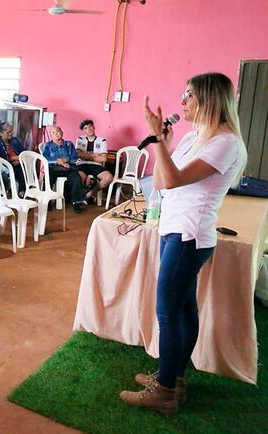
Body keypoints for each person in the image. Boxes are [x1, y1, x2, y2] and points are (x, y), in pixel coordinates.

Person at [119, 73, 247, 415]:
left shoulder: (224, 142)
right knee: (184, 308)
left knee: (169, 311)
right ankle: (173, 378)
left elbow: (172, 178)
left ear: (208, 100)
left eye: (189, 95)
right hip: (174, 230)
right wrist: (165, 143)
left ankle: (163, 391)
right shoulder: (195, 137)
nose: (182, 102)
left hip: (189, 236)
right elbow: (162, 181)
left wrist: (157, 139)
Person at [42, 126, 86, 213]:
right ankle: (47, 201)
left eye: (58, 131)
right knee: (47, 178)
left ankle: (76, 202)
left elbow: (75, 157)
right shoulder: (48, 145)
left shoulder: (69, 144)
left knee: (76, 178)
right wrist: (58, 161)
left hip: (68, 168)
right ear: (51, 135)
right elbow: (45, 158)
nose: (56, 134)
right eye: (53, 133)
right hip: (54, 168)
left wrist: (66, 160)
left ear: (62, 132)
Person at [75, 119, 113, 204]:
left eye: (90, 126)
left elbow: (104, 159)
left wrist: (86, 155)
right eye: (86, 128)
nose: (89, 129)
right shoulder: (80, 139)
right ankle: (79, 198)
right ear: (83, 130)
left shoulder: (102, 140)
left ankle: (90, 194)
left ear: (94, 127)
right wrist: (95, 155)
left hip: (96, 165)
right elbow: (78, 154)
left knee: (108, 178)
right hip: (82, 164)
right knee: (79, 177)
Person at [0, 120, 26, 195]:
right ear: (1, 133)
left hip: (18, 162)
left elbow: (23, 152)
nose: (10, 134)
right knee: (21, 168)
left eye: (11, 131)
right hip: (7, 166)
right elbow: (1, 159)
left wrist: (19, 159)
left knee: (24, 166)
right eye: (8, 132)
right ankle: (21, 191)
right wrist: (13, 159)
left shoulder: (15, 141)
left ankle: (26, 191)